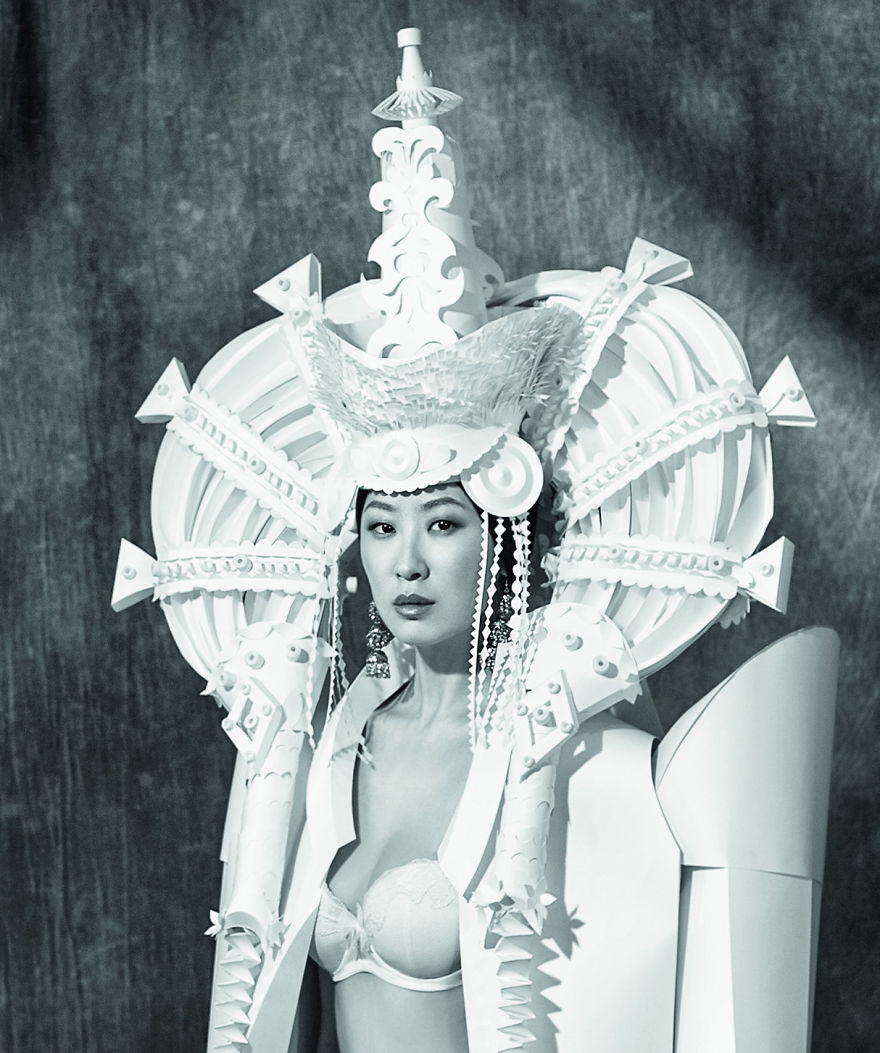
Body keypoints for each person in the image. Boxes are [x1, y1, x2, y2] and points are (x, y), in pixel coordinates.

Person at [113, 27, 838, 1053]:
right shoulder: (317, 744)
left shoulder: (580, 754)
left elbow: (677, 1000)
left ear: (503, 534)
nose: (405, 562)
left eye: (443, 523)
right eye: (381, 526)